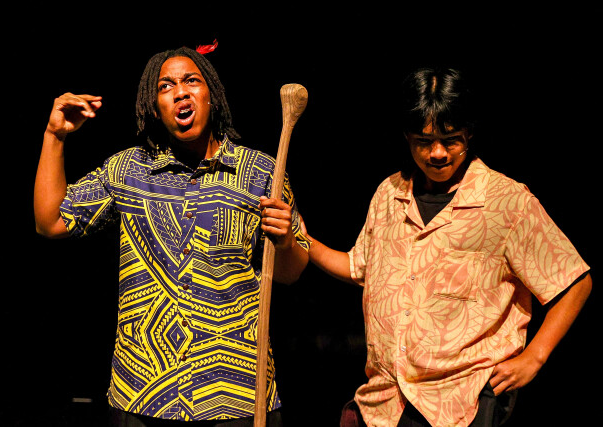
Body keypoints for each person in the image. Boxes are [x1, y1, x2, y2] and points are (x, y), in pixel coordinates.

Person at [34, 41, 309, 426]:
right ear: (154, 107)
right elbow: (50, 222)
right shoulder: (127, 169)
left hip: (238, 397)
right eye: (165, 86)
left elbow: (291, 271)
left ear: (212, 96)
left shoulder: (261, 172)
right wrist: (55, 135)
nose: (180, 92)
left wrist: (284, 242)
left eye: (191, 81)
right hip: (142, 395)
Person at [303, 67, 592, 427]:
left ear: (469, 133)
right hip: (385, 404)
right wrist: (300, 237)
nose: (437, 153)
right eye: (423, 142)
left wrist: (535, 356)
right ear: (407, 137)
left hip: (461, 402)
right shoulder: (389, 194)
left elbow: (573, 280)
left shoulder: (506, 202)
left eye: (451, 140)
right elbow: (358, 267)